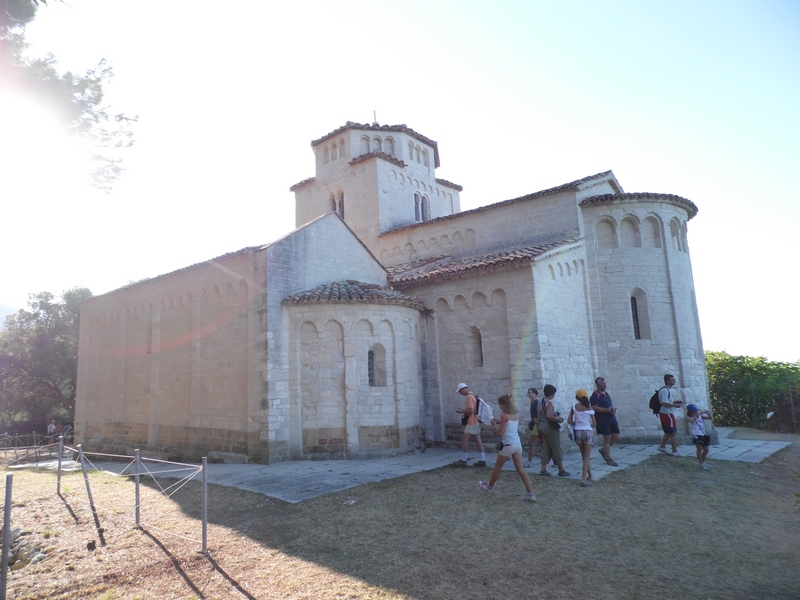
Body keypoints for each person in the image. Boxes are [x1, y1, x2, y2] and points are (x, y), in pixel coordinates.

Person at [478, 394, 536, 502]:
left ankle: (489, 486)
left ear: (502, 404)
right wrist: (499, 422)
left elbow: (500, 432)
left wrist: (493, 424)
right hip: (517, 444)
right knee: (521, 469)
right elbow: (509, 425)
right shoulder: (516, 414)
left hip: (507, 445)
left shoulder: (504, 415)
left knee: (497, 467)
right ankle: (530, 493)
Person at [536, 384, 571, 477]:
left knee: (545, 448)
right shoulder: (549, 403)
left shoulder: (540, 402)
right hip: (550, 428)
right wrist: (558, 419)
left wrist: (554, 413)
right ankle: (561, 469)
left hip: (542, 426)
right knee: (556, 447)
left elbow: (541, 414)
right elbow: (549, 415)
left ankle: (543, 469)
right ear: (552, 394)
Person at [568, 389, 596, 486]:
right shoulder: (589, 407)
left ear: (577, 397)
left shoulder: (574, 407)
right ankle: (583, 479)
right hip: (587, 431)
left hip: (578, 431)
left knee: (583, 456)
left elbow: (569, 420)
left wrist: (576, 424)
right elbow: (594, 423)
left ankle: (590, 475)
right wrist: (589, 427)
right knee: (587, 456)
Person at [454, 383, 486, 467]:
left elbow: (471, 410)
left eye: (460, 391)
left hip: (472, 421)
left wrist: (460, 411)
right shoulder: (473, 395)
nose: (460, 393)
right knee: (478, 440)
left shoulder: (469, 397)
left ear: (463, 389)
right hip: (476, 420)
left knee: (464, 440)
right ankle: (483, 459)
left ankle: (463, 460)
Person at [590, 376, 620, 466]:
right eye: (602, 383)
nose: (604, 385)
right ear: (598, 384)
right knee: (607, 438)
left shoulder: (606, 394)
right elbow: (594, 407)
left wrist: (612, 410)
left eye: (605, 383)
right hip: (602, 420)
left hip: (611, 418)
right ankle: (608, 458)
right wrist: (606, 410)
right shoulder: (595, 395)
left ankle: (604, 450)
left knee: (616, 437)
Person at [657, 374, 682, 456]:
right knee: (672, 433)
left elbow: (666, 402)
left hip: (668, 413)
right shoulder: (664, 390)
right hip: (667, 414)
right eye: (672, 380)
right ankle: (675, 451)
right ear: (667, 381)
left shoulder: (668, 390)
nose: (674, 381)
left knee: (668, 432)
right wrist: (675, 405)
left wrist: (674, 403)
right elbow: (664, 403)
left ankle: (662, 446)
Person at [686, 403, 713, 470]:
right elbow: (692, 421)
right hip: (696, 434)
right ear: (690, 411)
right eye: (694, 411)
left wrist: (708, 413)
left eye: (696, 410)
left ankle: (703, 462)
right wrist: (697, 415)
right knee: (699, 449)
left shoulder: (700, 416)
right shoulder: (689, 417)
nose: (696, 412)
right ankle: (701, 463)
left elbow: (710, 418)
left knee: (706, 450)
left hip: (703, 434)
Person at [525, 387, 542, 467]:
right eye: (529, 392)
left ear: (535, 394)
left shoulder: (536, 403)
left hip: (537, 425)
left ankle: (530, 460)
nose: (530, 394)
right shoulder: (533, 403)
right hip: (535, 425)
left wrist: (537, 420)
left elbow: (540, 412)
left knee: (531, 442)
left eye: (532, 393)